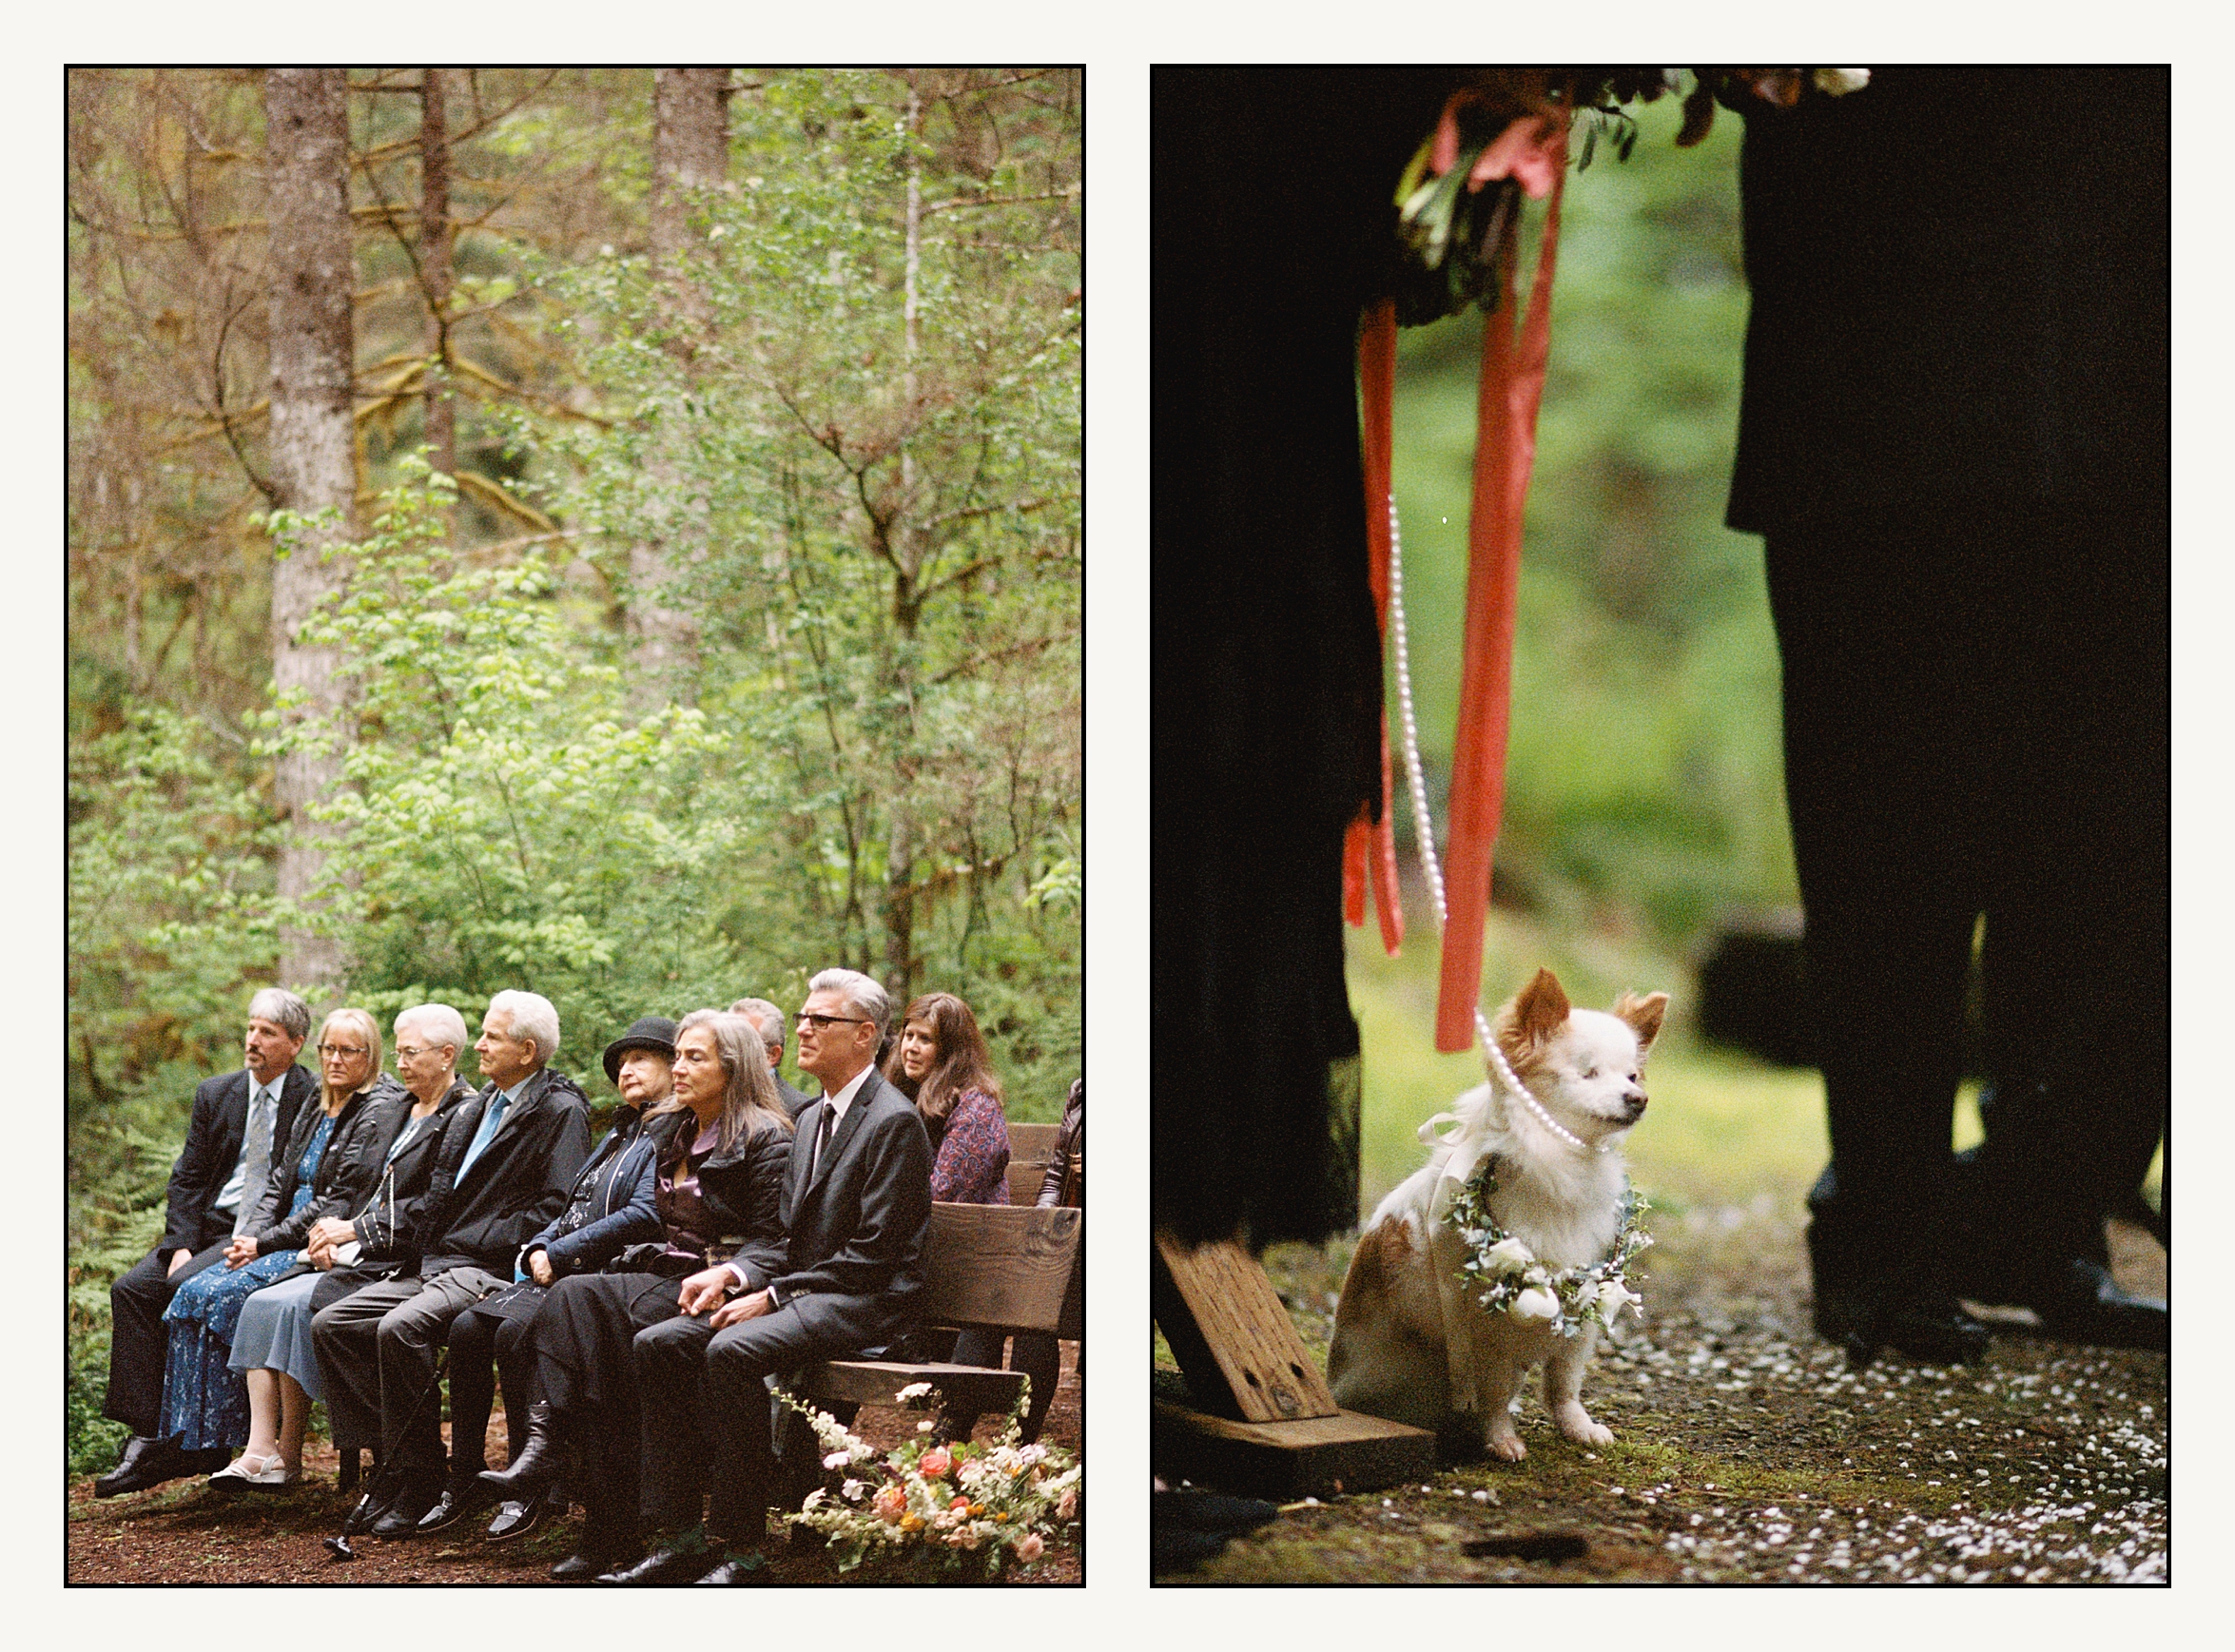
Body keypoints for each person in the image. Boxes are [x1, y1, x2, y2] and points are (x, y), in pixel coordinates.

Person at [1725, 66, 2168, 1362]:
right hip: (1880, 365)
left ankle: (2037, 1215)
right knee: (1888, 828)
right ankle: (1883, 1229)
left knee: (2116, 830)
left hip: (2140, 362)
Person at [612, 968, 932, 1584]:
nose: (803, 1026)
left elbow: (877, 1255)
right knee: (660, 1343)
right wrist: (733, 1273)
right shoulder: (812, 1117)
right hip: (813, 1292)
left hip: (870, 1302)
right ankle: (679, 1534)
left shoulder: (893, 1121)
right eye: (803, 1015)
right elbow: (782, 1236)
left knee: (733, 1349)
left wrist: (775, 1295)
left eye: (820, 1020)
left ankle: (744, 1549)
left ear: (865, 1034)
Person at [476, 1010, 793, 1580]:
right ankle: (550, 1445)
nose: (680, 1068)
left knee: (611, 1342)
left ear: (734, 1067)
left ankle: (618, 1523)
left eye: (695, 1057)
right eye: (680, 1056)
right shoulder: (672, 1130)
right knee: (574, 1301)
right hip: (667, 1279)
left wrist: (732, 1275)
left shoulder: (766, 1138)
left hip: (720, 1288)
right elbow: (659, 1226)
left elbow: (779, 1241)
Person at [310, 989, 591, 1536]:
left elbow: (555, 1209)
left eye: (491, 1036)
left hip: (491, 1268)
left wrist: (474, 1236)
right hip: (438, 1261)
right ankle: (401, 1467)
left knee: (401, 1327)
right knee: (333, 1322)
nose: (478, 1045)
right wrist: (383, 1241)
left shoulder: (560, 1111)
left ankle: (417, 1479)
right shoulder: (482, 1103)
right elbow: (437, 1193)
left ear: (528, 1051)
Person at [413, 1015, 678, 1542]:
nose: (626, 1071)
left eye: (640, 1059)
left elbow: (646, 1212)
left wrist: (561, 1250)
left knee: (514, 1334)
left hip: (605, 1274)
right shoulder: (620, 1133)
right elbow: (575, 1199)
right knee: (468, 1330)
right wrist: (540, 1243)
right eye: (620, 1064)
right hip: (558, 1266)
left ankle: (531, 1482)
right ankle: (464, 1477)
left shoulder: (670, 1133)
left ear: (675, 1067)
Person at [219, 1005, 466, 1489]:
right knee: (276, 1303)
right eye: (400, 1051)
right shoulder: (398, 1110)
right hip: (364, 1250)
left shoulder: (459, 1113)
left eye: (411, 1052)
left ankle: (388, 1461)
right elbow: (358, 1188)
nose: (402, 1061)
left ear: (445, 1056)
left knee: (312, 1307)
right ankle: (278, 1450)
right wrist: (335, 1233)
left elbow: (432, 1206)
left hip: (409, 1259)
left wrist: (353, 1234)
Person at [158, 1008, 397, 1479]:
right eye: (329, 1049)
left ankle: (254, 1444)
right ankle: (203, 1442)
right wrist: (252, 1234)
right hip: (279, 1232)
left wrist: (264, 1243)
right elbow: (281, 1179)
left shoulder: (373, 1111)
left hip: (314, 1237)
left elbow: (337, 1199)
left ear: (370, 1057)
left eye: (349, 1051)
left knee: (225, 1295)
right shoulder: (316, 1102)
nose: (335, 1059)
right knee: (190, 1291)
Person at [96, 989, 317, 1497]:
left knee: (183, 1288)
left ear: (296, 1043)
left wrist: (259, 1238)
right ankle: (153, 1433)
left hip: (265, 1234)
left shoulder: (311, 1099)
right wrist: (180, 1242)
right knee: (132, 1289)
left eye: (267, 1033)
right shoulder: (217, 1094)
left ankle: (195, 1439)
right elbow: (188, 1180)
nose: (252, 1041)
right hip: (210, 1229)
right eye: (250, 1028)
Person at [886, 991, 1012, 1206]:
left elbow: (945, 1195)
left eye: (925, 1039)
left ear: (951, 1050)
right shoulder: (903, 1092)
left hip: (967, 1231)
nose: (911, 1048)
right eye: (909, 1035)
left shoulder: (978, 1109)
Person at [730, 996, 814, 1118]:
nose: (726, 1049)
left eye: (740, 1042)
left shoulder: (798, 1111)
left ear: (772, 1055)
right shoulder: (709, 1099)